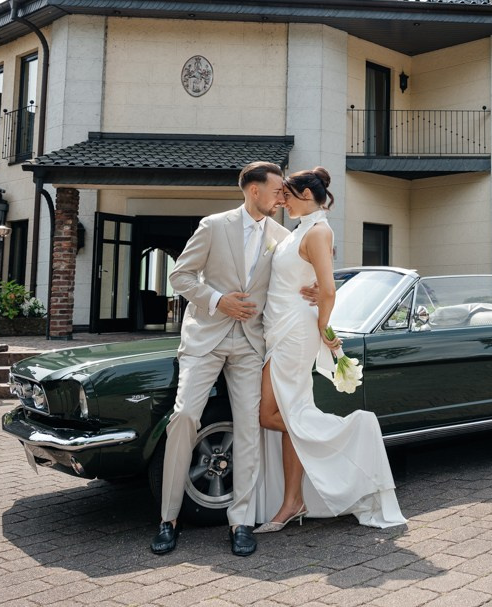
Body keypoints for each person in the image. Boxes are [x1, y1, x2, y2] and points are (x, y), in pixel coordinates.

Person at [256, 166, 406, 531]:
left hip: (295, 331)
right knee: (290, 415)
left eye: (287, 196)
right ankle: (292, 501)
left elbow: (328, 287)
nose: (283, 201)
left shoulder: (319, 231)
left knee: (271, 415)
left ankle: (357, 432)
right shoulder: (299, 230)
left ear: (307, 196)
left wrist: (324, 326)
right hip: (278, 327)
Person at [151, 161, 289, 557]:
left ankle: (241, 520)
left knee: (249, 426)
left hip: (250, 344)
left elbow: (287, 284)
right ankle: (168, 518)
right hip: (206, 337)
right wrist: (217, 301)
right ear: (253, 190)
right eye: (277, 190)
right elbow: (181, 275)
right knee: (184, 418)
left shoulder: (280, 235)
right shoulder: (213, 225)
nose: (282, 197)